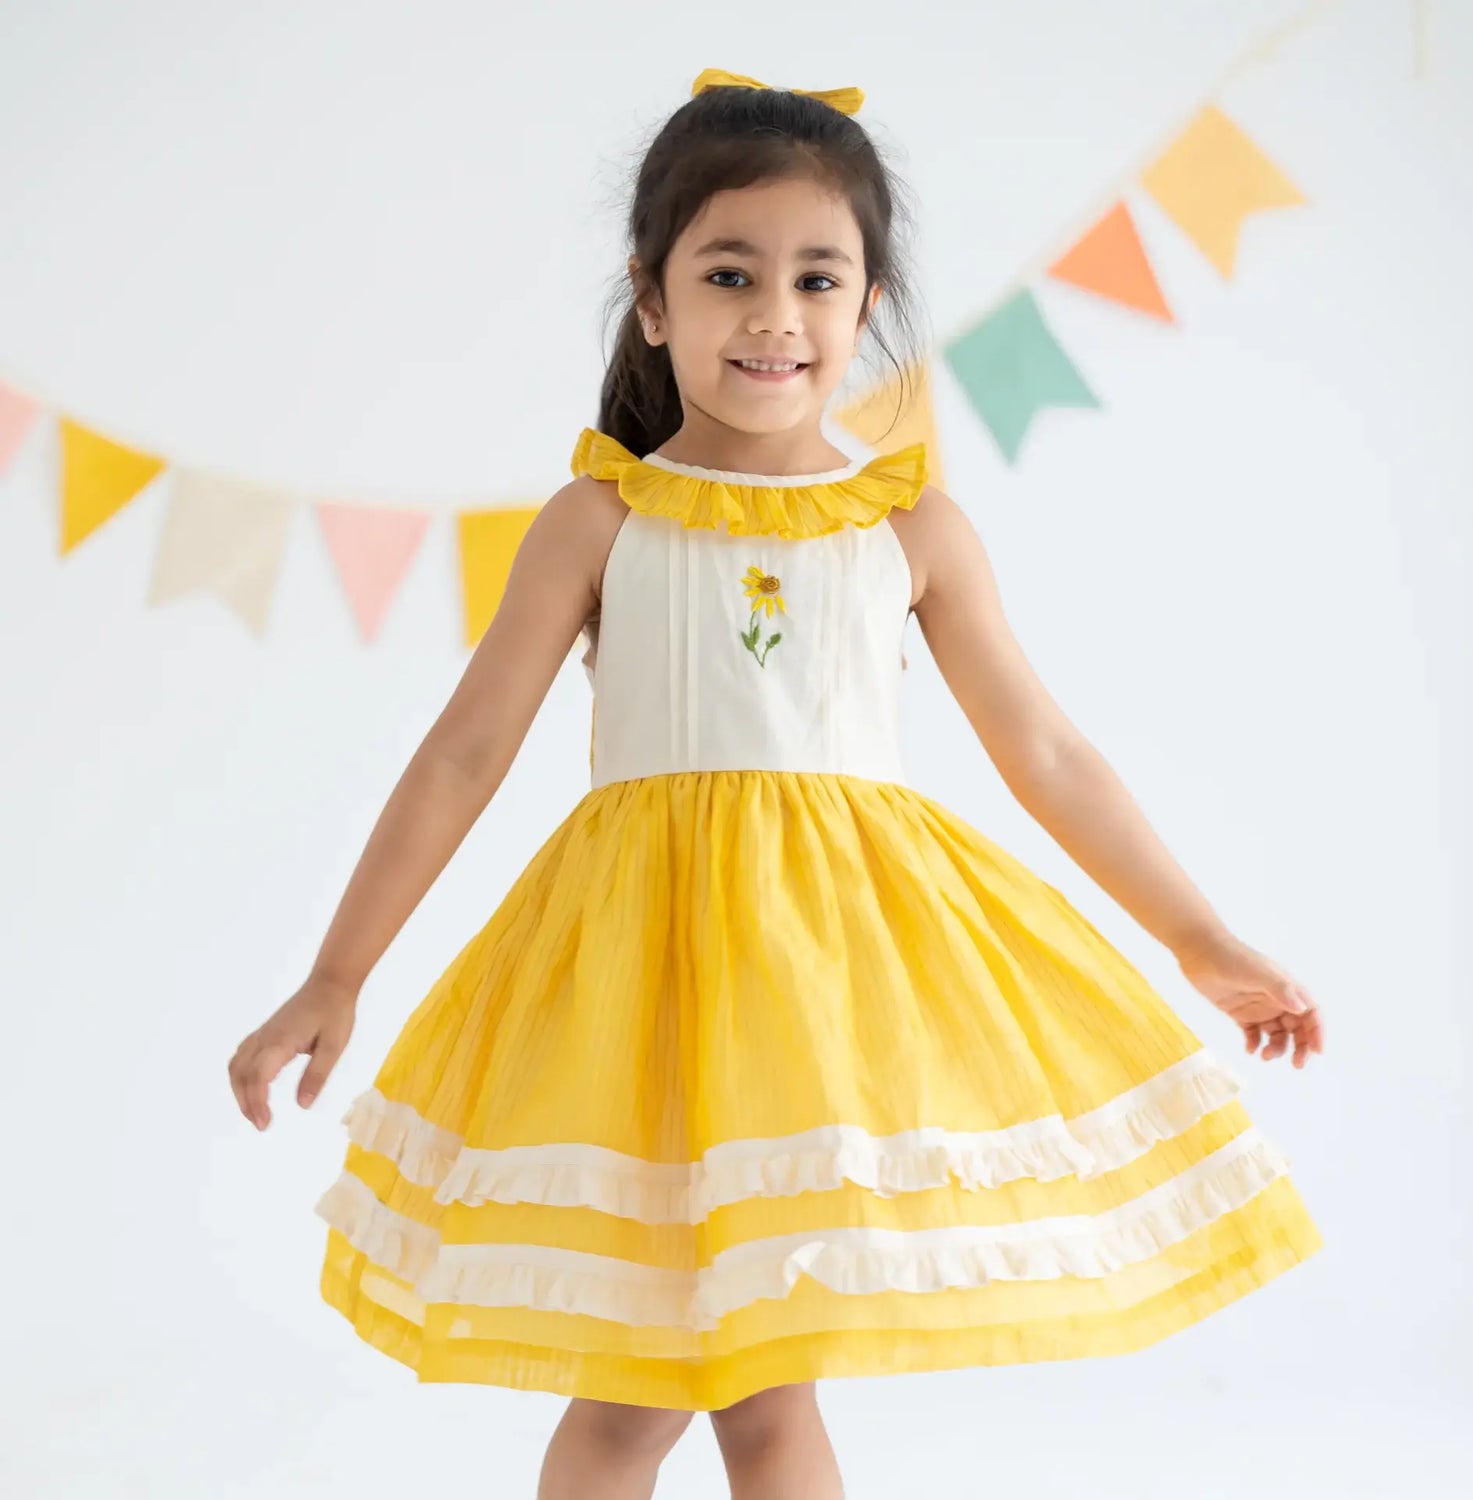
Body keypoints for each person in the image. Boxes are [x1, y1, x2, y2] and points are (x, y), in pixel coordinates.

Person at [228, 66, 1326, 1500]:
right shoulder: (598, 519)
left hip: (826, 1008)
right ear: (653, 299)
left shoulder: (912, 525)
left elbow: (1046, 752)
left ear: (866, 306)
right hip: (630, 1006)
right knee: (635, 1396)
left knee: (758, 1396)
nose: (774, 315)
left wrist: (1202, 939)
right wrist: (335, 972)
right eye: (730, 273)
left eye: (818, 277)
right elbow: (464, 753)